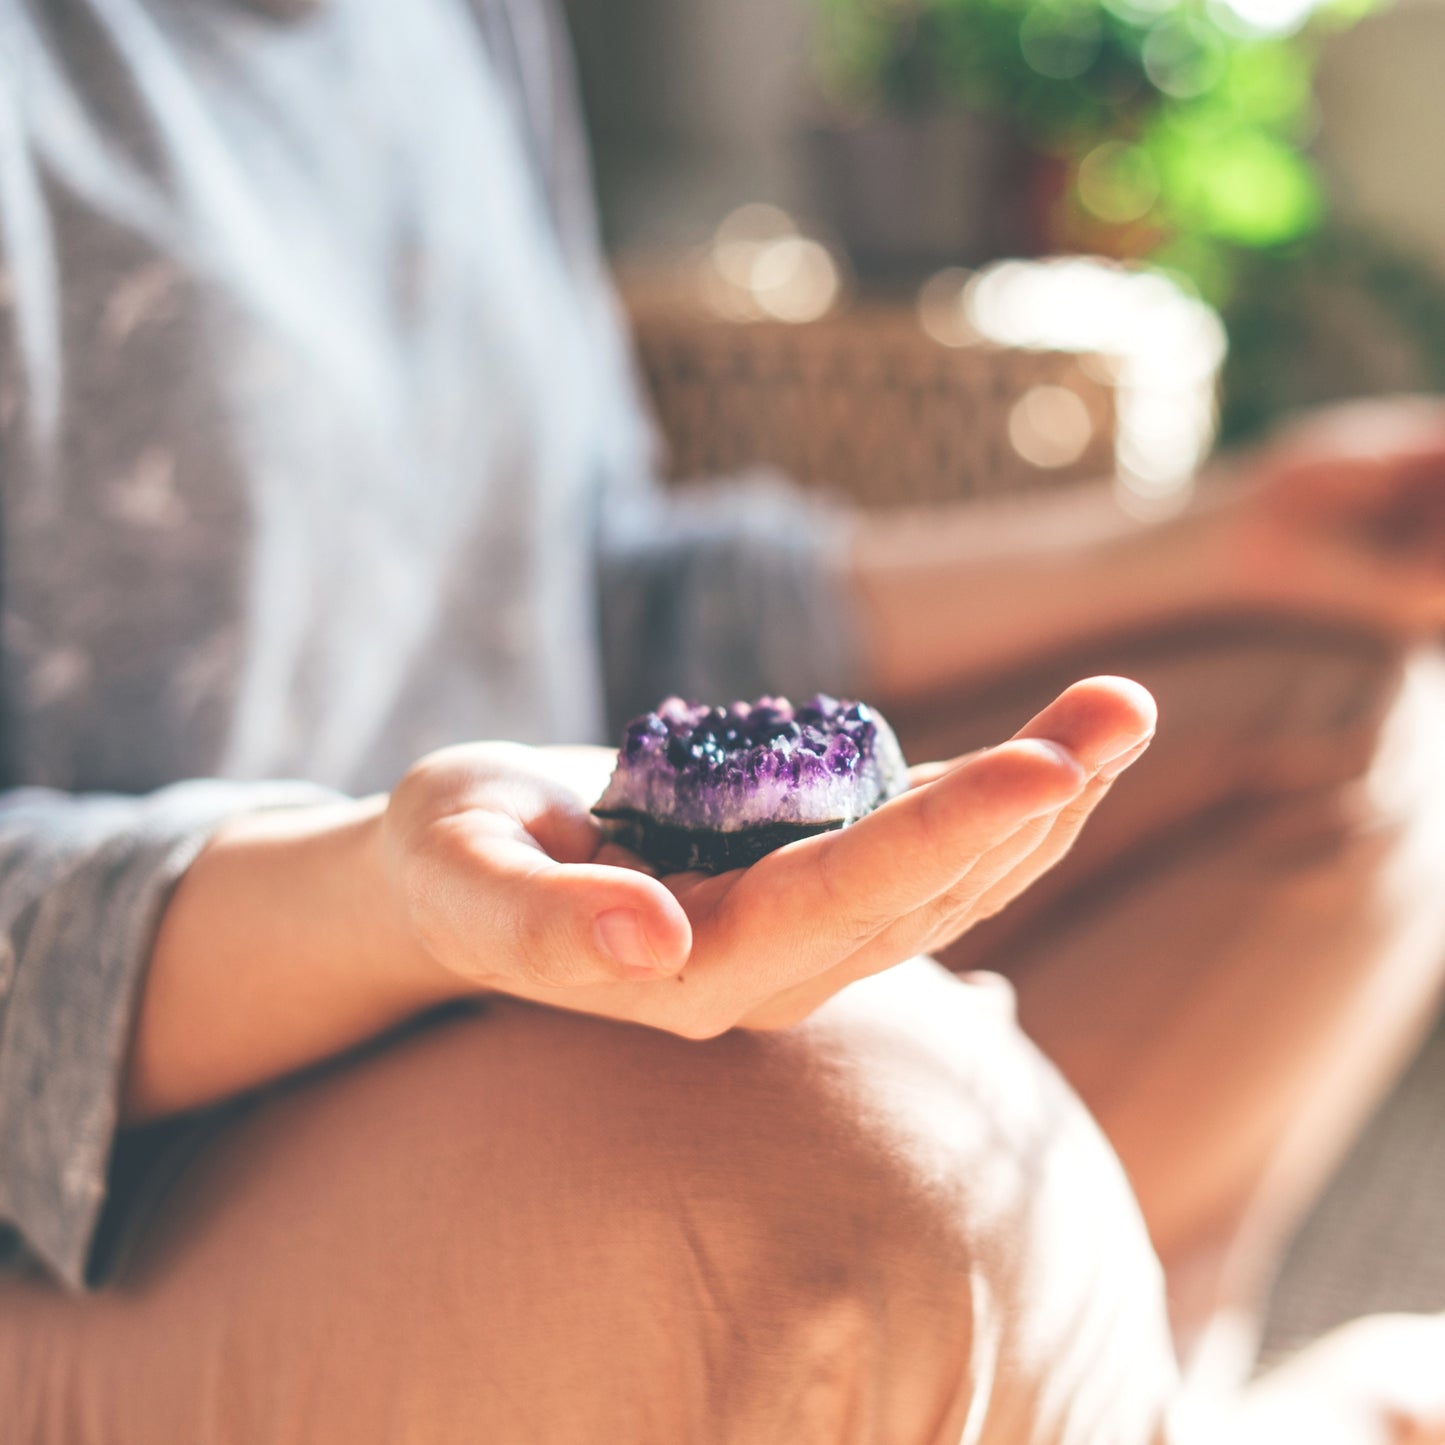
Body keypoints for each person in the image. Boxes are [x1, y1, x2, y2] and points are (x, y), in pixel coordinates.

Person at [2, 1, 1445, 1440]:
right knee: (873, 1174)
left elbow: (593, 583)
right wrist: (382, 895)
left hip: (505, 919)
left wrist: (1221, 540)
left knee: (1341, 714)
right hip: (105, 1171)